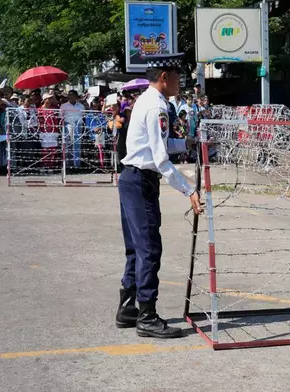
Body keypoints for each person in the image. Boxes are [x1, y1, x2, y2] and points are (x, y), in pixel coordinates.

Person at [116, 53, 202, 339]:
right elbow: (161, 159)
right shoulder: (158, 108)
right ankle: (147, 316)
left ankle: (128, 309)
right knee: (149, 248)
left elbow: (155, 144)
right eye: (178, 78)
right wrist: (189, 189)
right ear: (165, 77)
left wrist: (187, 142)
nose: (181, 83)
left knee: (136, 247)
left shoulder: (147, 100)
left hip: (132, 178)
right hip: (141, 182)